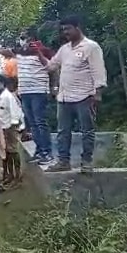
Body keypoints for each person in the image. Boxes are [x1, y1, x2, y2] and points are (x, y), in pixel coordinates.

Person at [35, 15, 107, 171]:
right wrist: (38, 53)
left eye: (68, 29)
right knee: (63, 132)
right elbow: (51, 67)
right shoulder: (64, 49)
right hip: (65, 98)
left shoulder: (91, 47)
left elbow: (98, 71)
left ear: (77, 27)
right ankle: (63, 162)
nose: (65, 32)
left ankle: (86, 162)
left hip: (85, 96)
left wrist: (98, 93)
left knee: (87, 130)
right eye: (63, 30)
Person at [0, 30, 54, 165]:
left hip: (39, 91)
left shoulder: (44, 50)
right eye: (21, 38)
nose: (22, 40)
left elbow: (52, 68)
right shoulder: (19, 52)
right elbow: (0, 51)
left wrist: (54, 88)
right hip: (25, 92)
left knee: (40, 122)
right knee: (33, 124)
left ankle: (47, 152)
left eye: (24, 37)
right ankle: (40, 151)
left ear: (32, 38)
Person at [0, 76, 24, 185]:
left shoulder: (9, 96)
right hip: (0, 128)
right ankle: (9, 175)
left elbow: (16, 113)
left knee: (13, 151)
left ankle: (18, 176)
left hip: (10, 127)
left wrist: (14, 128)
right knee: (5, 152)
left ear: (2, 83)